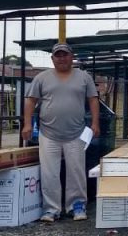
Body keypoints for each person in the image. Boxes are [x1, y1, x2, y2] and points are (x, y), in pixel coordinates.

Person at [21, 42, 100, 223]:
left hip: (76, 132)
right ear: (52, 58)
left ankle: (77, 205)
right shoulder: (42, 78)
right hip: (48, 133)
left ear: (72, 56)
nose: (62, 58)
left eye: (65, 55)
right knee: (49, 173)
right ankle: (51, 209)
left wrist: (95, 123)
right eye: (58, 55)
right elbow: (30, 101)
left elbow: (93, 100)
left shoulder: (84, 77)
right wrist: (27, 124)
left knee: (76, 171)